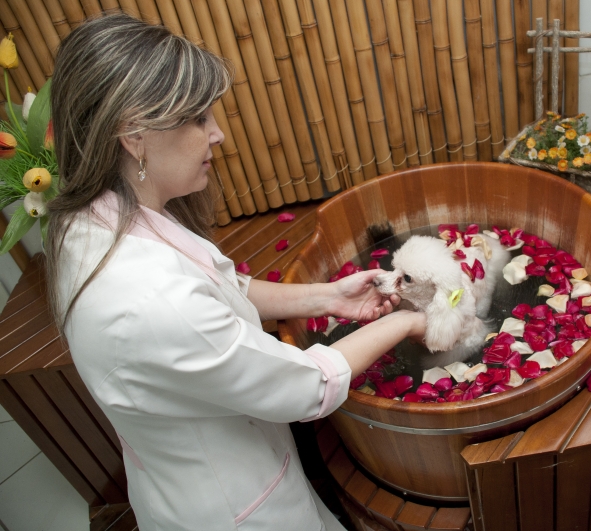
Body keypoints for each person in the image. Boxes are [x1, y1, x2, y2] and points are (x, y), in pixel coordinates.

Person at [45, 13, 426, 531]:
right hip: (237, 511)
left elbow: (219, 287)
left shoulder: (88, 216)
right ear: (133, 134)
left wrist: (328, 297)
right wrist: (407, 321)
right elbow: (307, 388)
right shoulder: (147, 296)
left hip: (190, 471)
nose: (217, 133)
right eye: (198, 119)